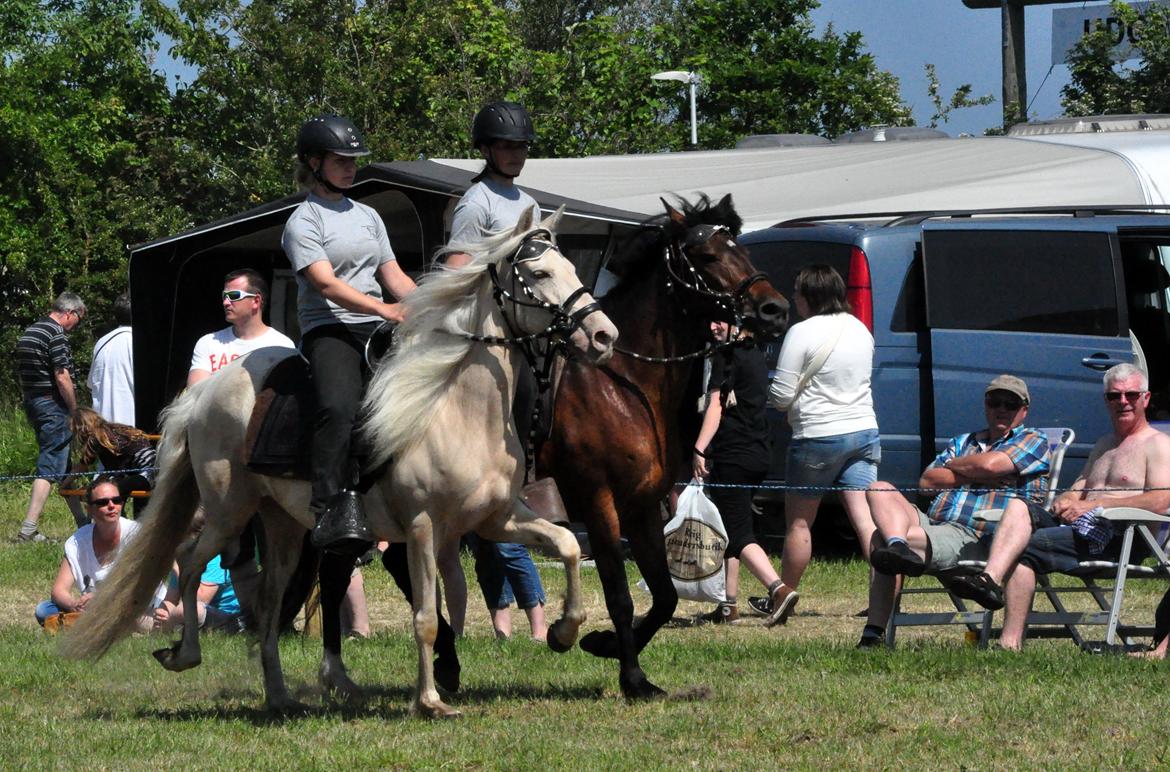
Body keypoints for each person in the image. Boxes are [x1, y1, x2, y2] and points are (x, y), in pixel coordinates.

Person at [948, 363, 1170, 650]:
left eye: (1131, 395)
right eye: (1115, 396)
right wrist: (1067, 498)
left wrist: (1095, 505)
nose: (1123, 402)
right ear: (1106, 400)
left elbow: (1161, 499)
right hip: (1081, 530)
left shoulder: (1158, 445)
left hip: (1122, 537)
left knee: (1024, 546)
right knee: (1018, 507)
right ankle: (989, 581)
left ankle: (1009, 642)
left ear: (1145, 398)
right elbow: (1080, 488)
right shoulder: (1104, 444)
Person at [282, 114, 416, 556]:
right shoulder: (303, 222)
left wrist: (428, 307)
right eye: (341, 160)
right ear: (314, 163)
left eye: (354, 160)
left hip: (377, 326)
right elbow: (326, 284)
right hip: (330, 328)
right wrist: (382, 307)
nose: (351, 167)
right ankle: (329, 509)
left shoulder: (369, 216)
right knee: (338, 407)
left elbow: (391, 273)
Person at [444, 101, 547, 641]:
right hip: (483, 328)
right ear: (485, 150)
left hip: (525, 331)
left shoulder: (528, 202)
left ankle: (525, 477)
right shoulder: (475, 202)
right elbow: (456, 268)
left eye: (523, 146)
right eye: (508, 146)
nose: (517, 154)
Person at [857, 374, 1051, 647]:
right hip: (935, 523)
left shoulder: (1034, 439)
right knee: (878, 488)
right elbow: (926, 482)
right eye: (995, 402)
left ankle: (873, 635)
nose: (1002, 409)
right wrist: (978, 472)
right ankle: (898, 547)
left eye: (1011, 404)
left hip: (975, 534)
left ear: (1024, 411)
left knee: (879, 539)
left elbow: (992, 466)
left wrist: (960, 467)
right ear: (986, 405)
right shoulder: (964, 441)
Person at [766, 264, 880, 621]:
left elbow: (782, 396)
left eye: (797, 292)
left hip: (817, 435)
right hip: (863, 431)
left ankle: (782, 596)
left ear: (807, 296)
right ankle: (882, 598)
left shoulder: (800, 332)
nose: (794, 299)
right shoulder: (860, 328)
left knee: (799, 523)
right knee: (866, 522)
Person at [693, 321, 784, 625]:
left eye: (721, 320)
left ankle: (778, 589)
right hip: (758, 453)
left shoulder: (727, 355)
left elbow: (716, 406)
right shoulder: (755, 353)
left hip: (734, 454)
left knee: (738, 534)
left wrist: (700, 447)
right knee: (732, 525)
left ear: (739, 322)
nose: (712, 326)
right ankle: (728, 604)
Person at [34, 476, 163, 631]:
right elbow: (59, 590)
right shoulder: (77, 541)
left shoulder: (137, 535)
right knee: (44, 610)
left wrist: (104, 598)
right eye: (103, 502)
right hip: (94, 607)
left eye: (117, 500)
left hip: (137, 605)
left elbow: (145, 585)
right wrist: (73, 604)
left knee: (145, 619)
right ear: (90, 509)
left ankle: (91, 623)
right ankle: (93, 622)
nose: (111, 506)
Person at [15, 291, 88, 541]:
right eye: (78, 318)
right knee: (49, 466)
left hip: (34, 403)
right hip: (53, 407)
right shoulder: (57, 335)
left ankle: (84, 523)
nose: (76, 326)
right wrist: (74, 409)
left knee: (63, 467)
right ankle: (28, 529)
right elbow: (61, 376)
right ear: (69, 313)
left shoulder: (31, 331)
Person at [187, 269, 295, 387]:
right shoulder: (208, 343)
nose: (226, 302)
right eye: (225, 296)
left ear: (256, 301)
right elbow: (196, 395)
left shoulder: (282, 346)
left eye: (233, 295)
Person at [71, 407, 157, 496]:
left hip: (148, 473)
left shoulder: (95, 439)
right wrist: (94, 485)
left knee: (110, 491)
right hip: (153, 465)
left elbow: (81, 468)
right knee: (112, 488)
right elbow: (112, 471)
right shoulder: (115, 429)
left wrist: (64, 485)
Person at [153, 553, 246, 634]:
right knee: (141, 618)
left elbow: (199, 600)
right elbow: (171, 599)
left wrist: (179, 568)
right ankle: (168, 628)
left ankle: (164, 630)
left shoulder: (214, 559)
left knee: (183, 610)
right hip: (198, 615)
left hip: (228, 617)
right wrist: (163, 611)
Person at [87, 291, 135, 426]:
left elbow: (91, 385)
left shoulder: (101, 343)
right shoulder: (138, 342)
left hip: (103, 427)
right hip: (132, 428)